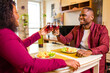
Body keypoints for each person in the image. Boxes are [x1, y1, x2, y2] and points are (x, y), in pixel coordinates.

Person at [0, 0, 80, 73]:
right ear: (7, 15)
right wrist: (64, 62)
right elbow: (30, 65)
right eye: (16, 12)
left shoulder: (4, 33)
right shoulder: (5, 35)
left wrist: (39, 34)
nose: (18, 16)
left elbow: (19, 45)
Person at [54, 7, 109, 73]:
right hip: (81, 58)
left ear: (92, 17)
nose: (80, 17)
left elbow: (105, 47)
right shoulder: (76, 28)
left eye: (84, 15)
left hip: (95, 60)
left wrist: (89, 52)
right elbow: (66, 40)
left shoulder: (101, 29)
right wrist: (58, 34)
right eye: (80, 15)